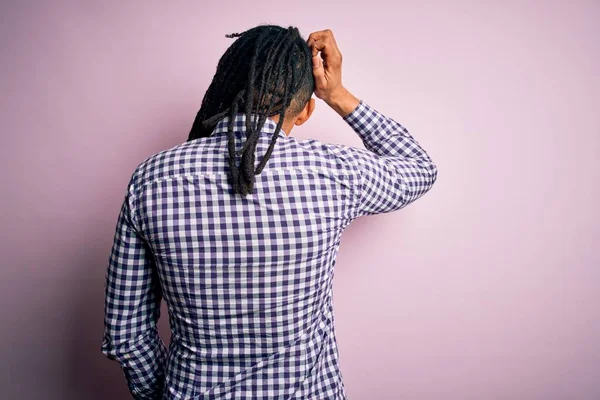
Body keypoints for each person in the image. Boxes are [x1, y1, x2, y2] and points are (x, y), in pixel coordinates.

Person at [101, 25, 437, 400]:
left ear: (225, 90)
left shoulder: (152, 182)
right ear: (306, 110)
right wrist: (337, 93)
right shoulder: (335, 174)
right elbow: (420, 168)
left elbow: (127, 336)